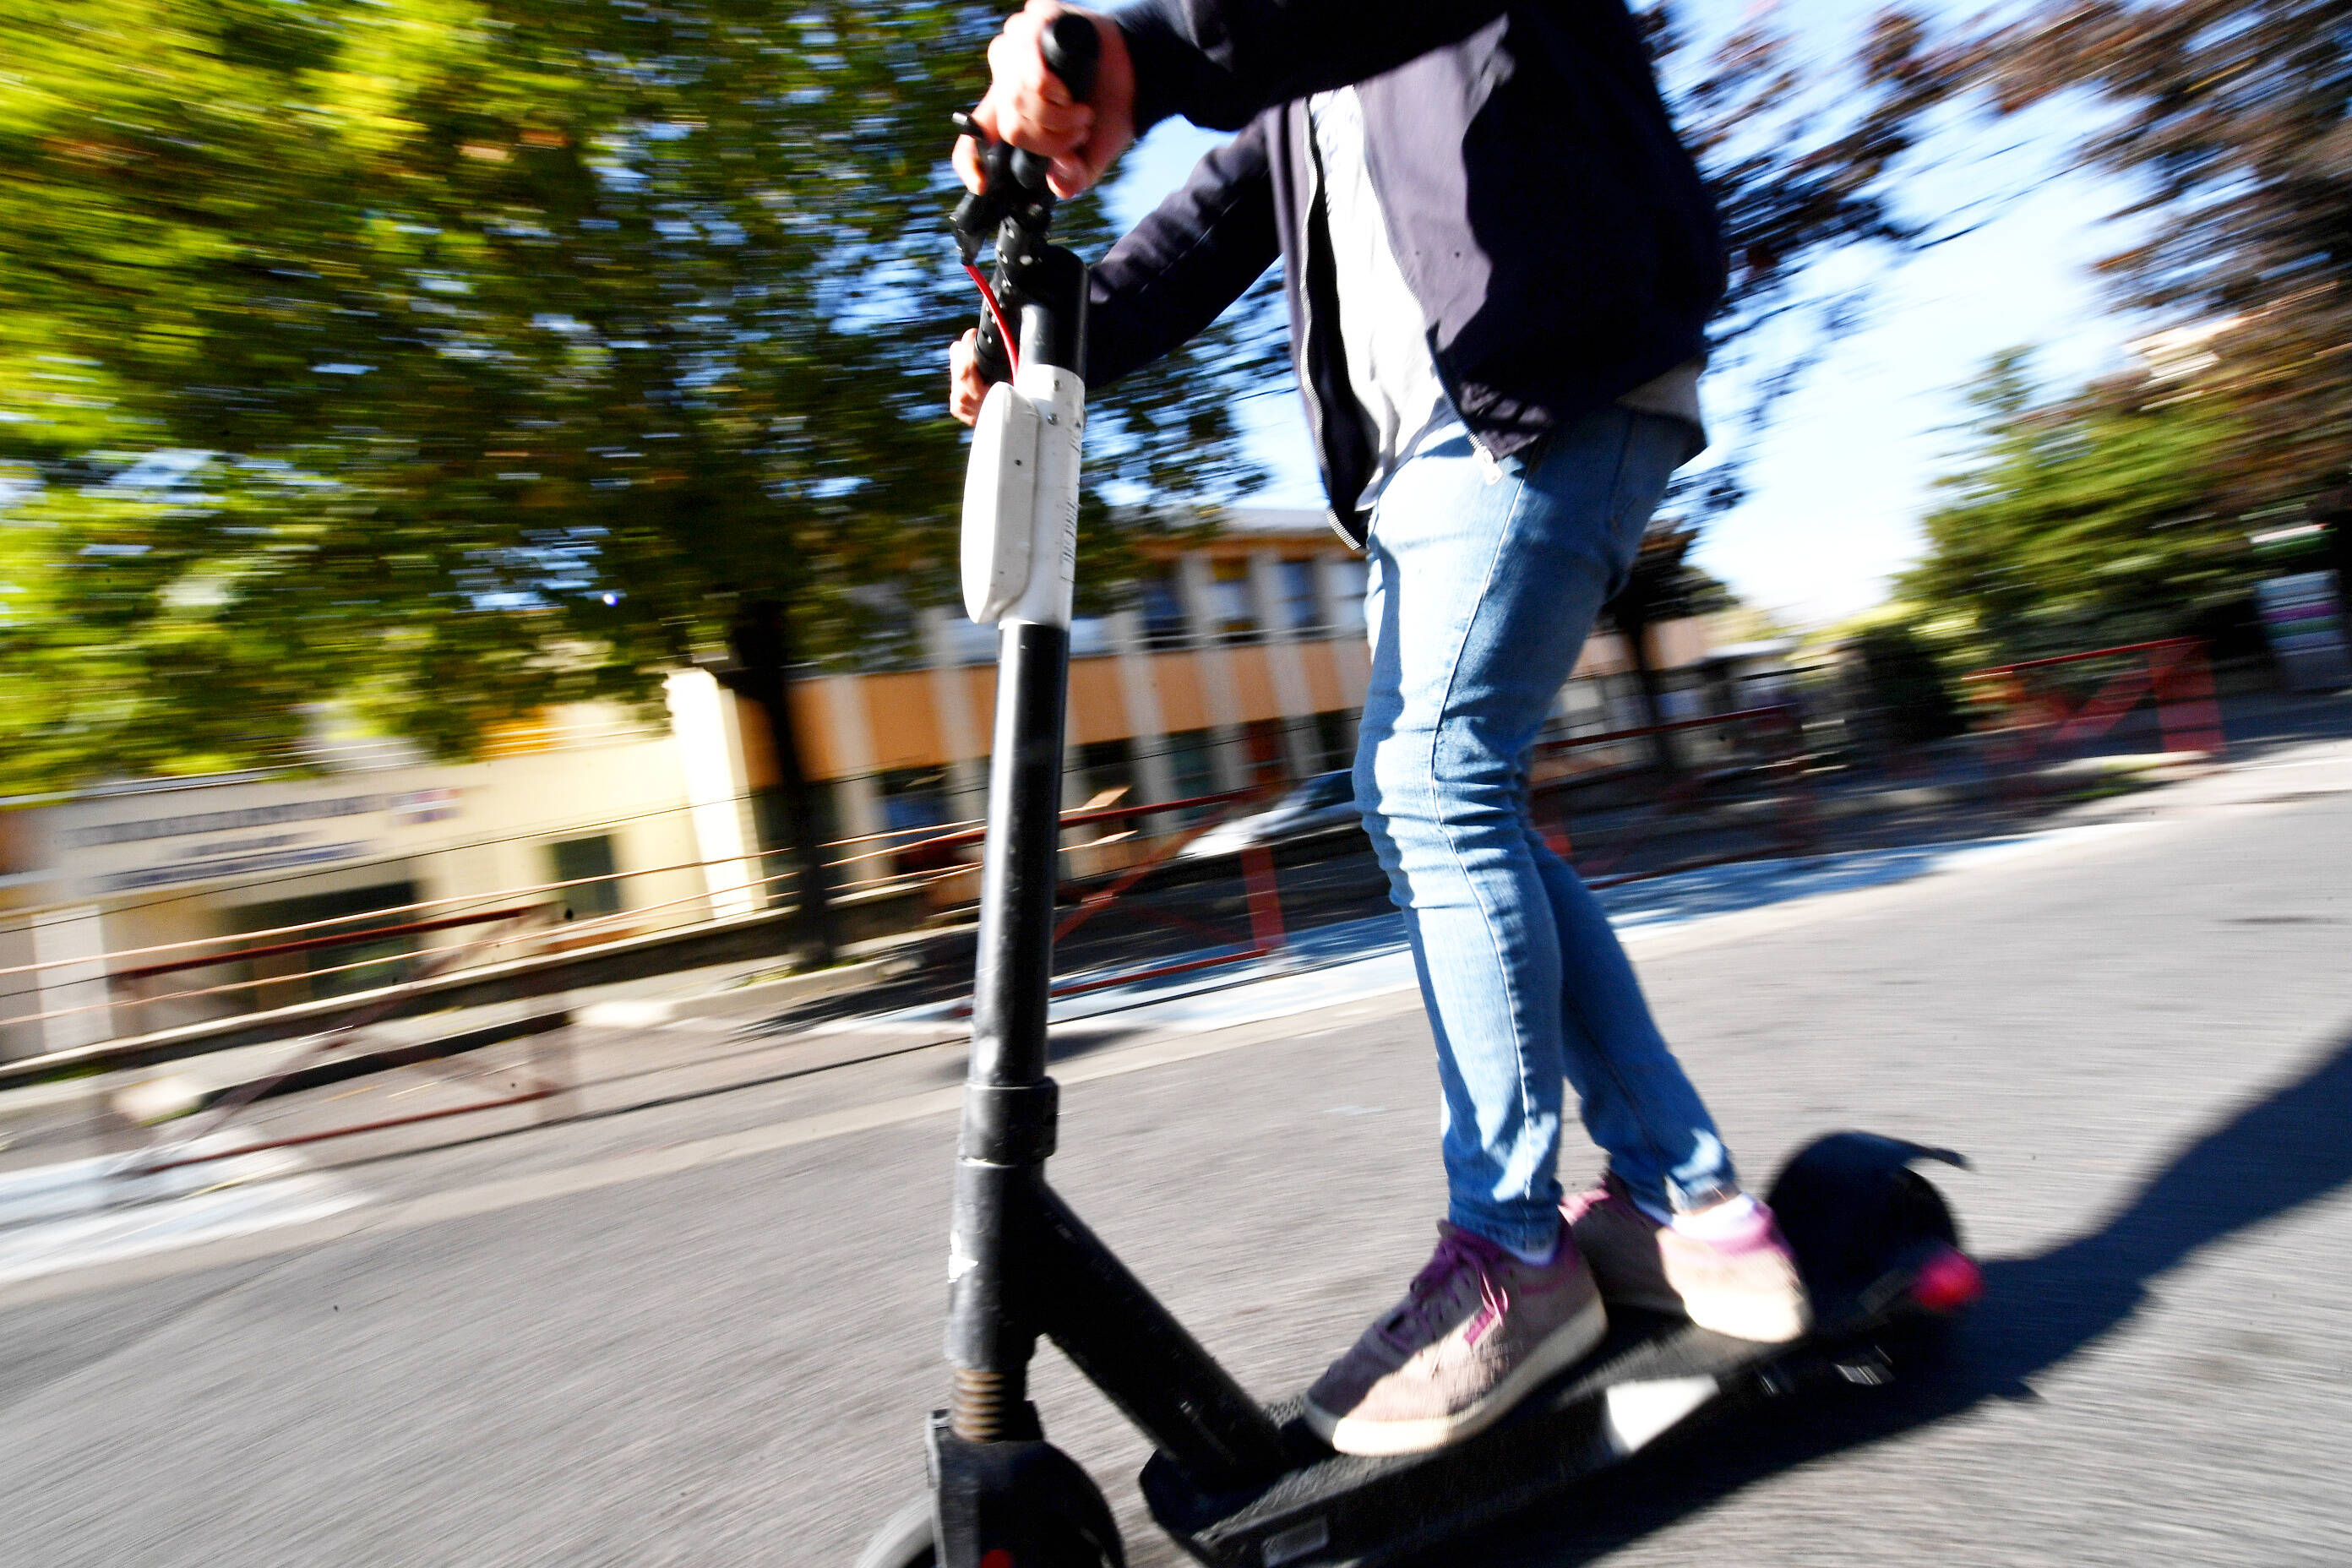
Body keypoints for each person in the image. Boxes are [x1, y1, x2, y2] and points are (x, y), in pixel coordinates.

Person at [950, 0, 1810, 1457]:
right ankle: (1693, 1208)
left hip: (1554, 382)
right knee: (1446, 796)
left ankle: (1514, 1257)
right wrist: (1047, 341)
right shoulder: (1298, 79)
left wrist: (1145, 57)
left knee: (1431, 786)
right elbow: (1214, 221)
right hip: (1437, 447)